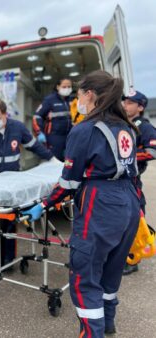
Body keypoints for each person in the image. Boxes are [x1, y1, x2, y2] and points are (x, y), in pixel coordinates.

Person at [23, 70, 140, 337]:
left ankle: (92, 333)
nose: (77, 101)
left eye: (78, 95)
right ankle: (107, 324)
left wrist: (43, 204)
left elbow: (69, 182)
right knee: (111, 271)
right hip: (128, 201)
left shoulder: (85, 129)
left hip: (101, 203)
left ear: (89, 94)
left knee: (85, 275)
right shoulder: (125, 127)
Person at [0, 99, 55, 269]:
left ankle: (9, 259)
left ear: (5, 115)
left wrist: (51, 158)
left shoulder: (17, 128)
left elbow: (33, 146)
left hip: (12, 184)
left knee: (10, 223)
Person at [121, 89, 156, 275]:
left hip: (133, 180)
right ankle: (122, 255)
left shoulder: (145, 126)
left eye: (129, 102)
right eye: (124, 101)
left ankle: (133, 260)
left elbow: (152, 152)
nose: (125, 105)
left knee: (135, 218)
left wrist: (126, 158)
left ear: (140, 107)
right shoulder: (124, 124)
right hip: (120, 180)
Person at [32, 78, 74, 160]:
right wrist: (39, 132)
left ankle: (66, 173)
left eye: (69, 86)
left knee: (69, 161)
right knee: (55, 160)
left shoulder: (73, 100)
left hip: (70, 136)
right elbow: (37, 116)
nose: (67, 88)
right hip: (54, 137)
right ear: (58, 87)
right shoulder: (49, 100)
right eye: (64, 86)